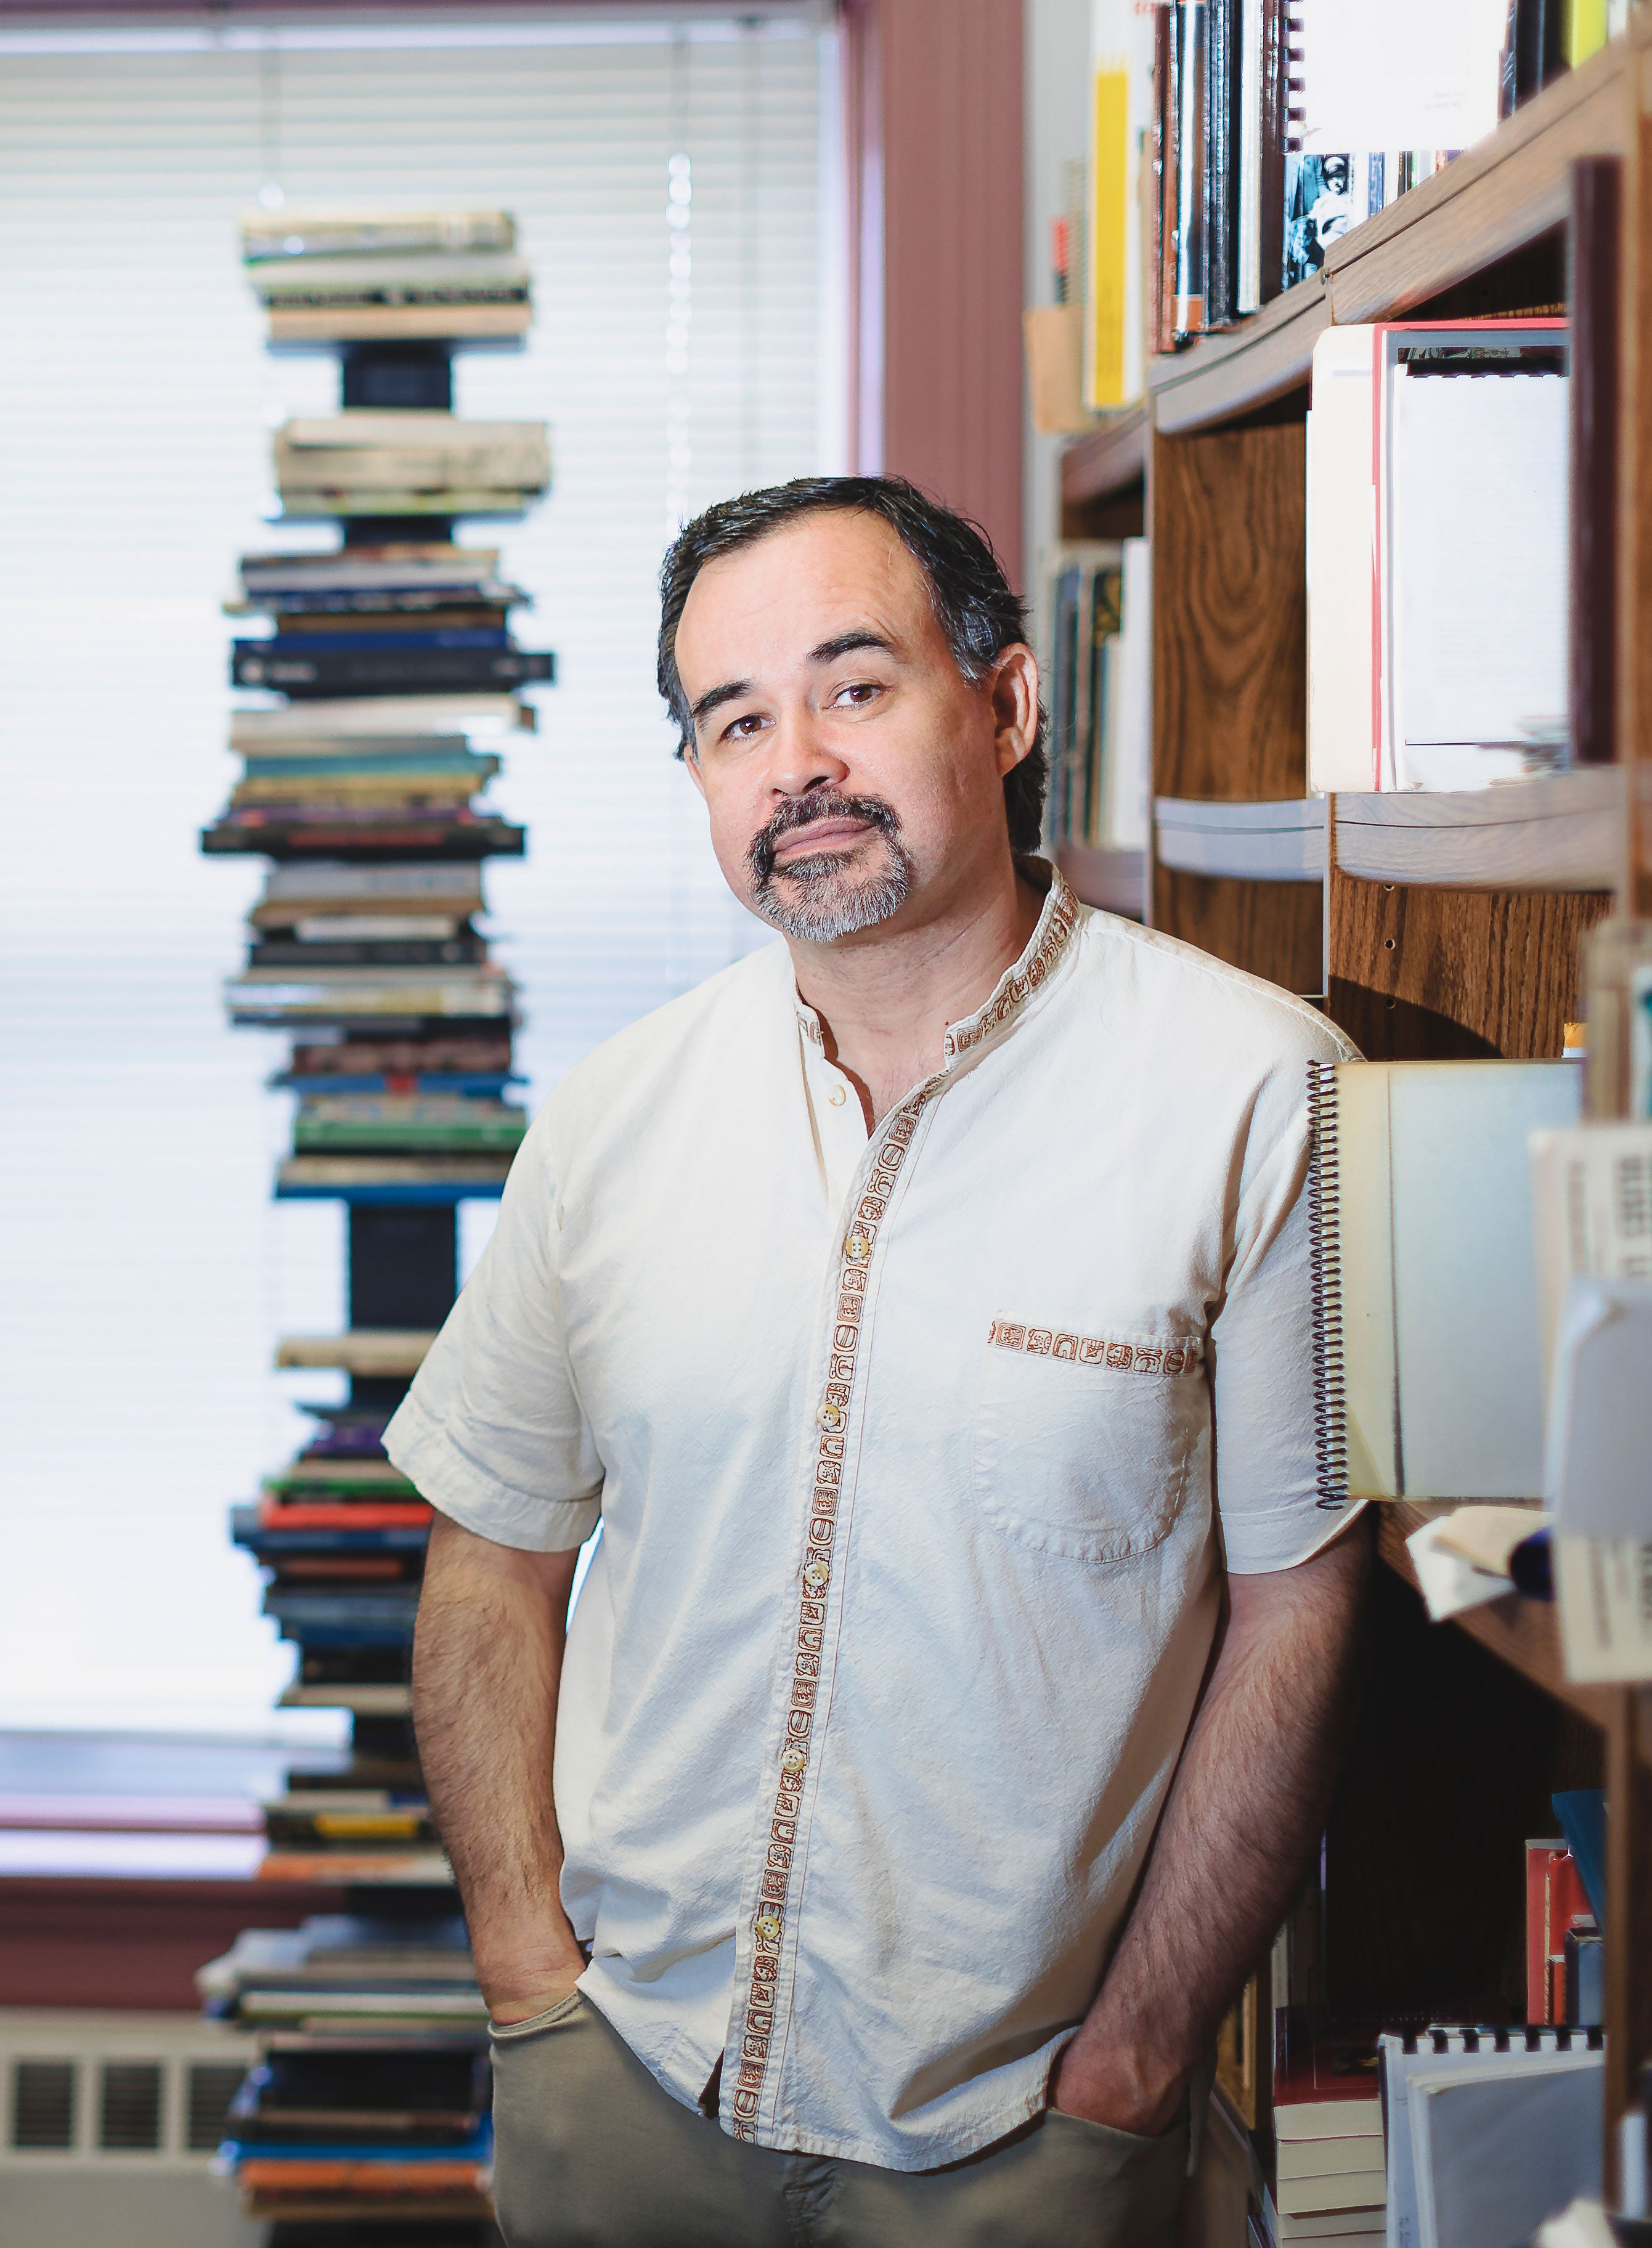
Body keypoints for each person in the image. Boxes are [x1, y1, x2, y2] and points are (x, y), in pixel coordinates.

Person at [390, 476, 1366, 2246]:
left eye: (853, 688)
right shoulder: (615, 1117)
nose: (796, 769)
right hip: (627, 2087)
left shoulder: (1251, 1094)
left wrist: (1136, 2066)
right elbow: (494, 1555)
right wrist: (529, 1975)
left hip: (1027, 2135)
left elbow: (1298, 1616)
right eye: (734, 721)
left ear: (1003, 705)